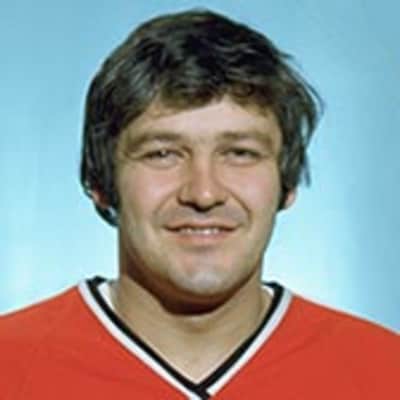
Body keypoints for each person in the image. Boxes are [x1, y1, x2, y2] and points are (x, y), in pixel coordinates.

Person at [0, 9, 398, 400]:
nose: (204, 193)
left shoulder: (385, 371)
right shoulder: (10, 365)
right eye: (162, 154)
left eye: (240, 153)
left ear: (287, 182)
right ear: (100, 183)